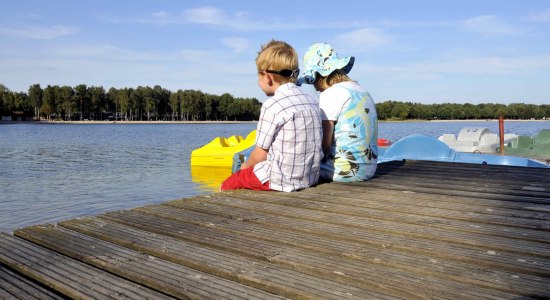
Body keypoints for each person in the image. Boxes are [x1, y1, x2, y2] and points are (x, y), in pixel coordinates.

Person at [220, 40, 323, 192]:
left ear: (266, 76)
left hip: (279, 180)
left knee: (228, 183)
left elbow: (260, 155)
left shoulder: (273, 106)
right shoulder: (312, 102)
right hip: (310, 178)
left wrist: (244, 168)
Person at [297, 43, 378, 182]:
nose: (315, 88)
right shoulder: (362, 91)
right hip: (368, 169)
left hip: (343, 171)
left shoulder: (331, 93)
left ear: (319, 76)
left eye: (313, 81)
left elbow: (325, 144)